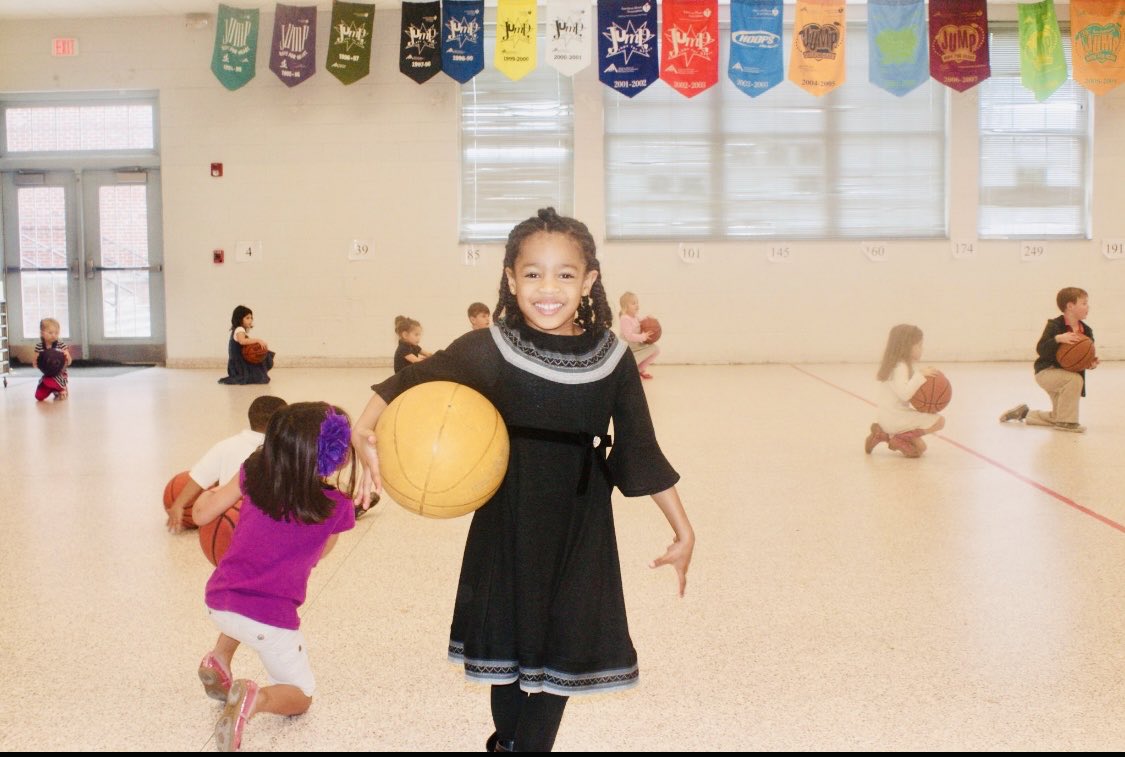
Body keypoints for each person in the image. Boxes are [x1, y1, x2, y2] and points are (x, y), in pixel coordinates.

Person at [352, 208, 695, 752]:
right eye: (532, 273)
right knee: (506, 654)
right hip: (507, 522)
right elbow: (408, 380)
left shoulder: (613, 359)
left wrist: (684, 531)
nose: (548, 288)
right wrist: (360, 428)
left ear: (589, 280)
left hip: (580, 526)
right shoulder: (488, 348)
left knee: (565, 647)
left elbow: (641, 451)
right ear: (510, 278)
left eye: (565, 274)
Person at [192, 402, 357, 752]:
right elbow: (322, 553)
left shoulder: (252, 472)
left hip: (219, 601)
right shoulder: (336, 506)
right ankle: (256, 700)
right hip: (271, 621)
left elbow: (203, 512)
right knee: (301, 695)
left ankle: (218, 659)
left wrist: (204, 498)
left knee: (242, 606)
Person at [165, 396, 288, 533]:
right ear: (281, 423)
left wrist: (178, 505)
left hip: (226, 520)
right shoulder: (286, 451)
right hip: (267, 523)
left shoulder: (225, 446)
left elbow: (198, 478)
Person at [999, 287, 1097, 433]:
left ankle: (1025, 413)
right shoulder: (1055, 325)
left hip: (1065, 376)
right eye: (1084, 303)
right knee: (1074, 380)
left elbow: (1083, 359)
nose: (1088, 307)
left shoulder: (1087, 331)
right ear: (1070, 306)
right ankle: (1067, 423)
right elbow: (1041, 348)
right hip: (1046, 372)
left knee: (1059, 414)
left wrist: (1091, 363)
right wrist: (1058, 339)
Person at [865, 324, 946, 458]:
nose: (922, 349)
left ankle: (882, 434)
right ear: (907, 347)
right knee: (940, 421)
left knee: (920, 448)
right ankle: (899, 438)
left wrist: (922, 375)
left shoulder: (896, 365)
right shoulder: (900, 367)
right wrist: (920, 375)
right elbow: (905, 394)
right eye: (919, 345)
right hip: (896, 419)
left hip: (888, 418)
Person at [218, 305, 274, 385]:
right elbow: (242, 341)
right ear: (239, 319)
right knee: (263, 358)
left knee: (259, 365)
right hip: (240, 361)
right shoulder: (239, 329)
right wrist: (258, 340)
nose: (250, 320)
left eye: (251, 318)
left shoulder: (238, 329)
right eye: (247, 318)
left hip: (237, 361)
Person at [617, 291, 659, 379]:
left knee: (655, 349)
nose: (637, 305)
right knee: (633, 359)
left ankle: (639, 370)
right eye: (633, 303)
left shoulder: (635, 317)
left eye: (637, 303)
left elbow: (642, 321)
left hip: (636, 345)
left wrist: (649, 318)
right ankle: (629, 370)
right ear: (626, 306)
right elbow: (629, 336)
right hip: (628, 348)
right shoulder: (624, 319)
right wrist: (643, 337)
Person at [32, 317, 72, 401]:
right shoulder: (39, 346)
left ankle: (61, 387)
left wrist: (67, 356)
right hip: (47, 374)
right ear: (42, 333)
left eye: (56, 333)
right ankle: (52, 388)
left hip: (60, 373)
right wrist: (35, 363)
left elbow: (69, 362)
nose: (54, 335)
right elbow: (35, 362)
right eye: (50, 332)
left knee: (55, 381)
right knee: (39, 396)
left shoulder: (61, 345)